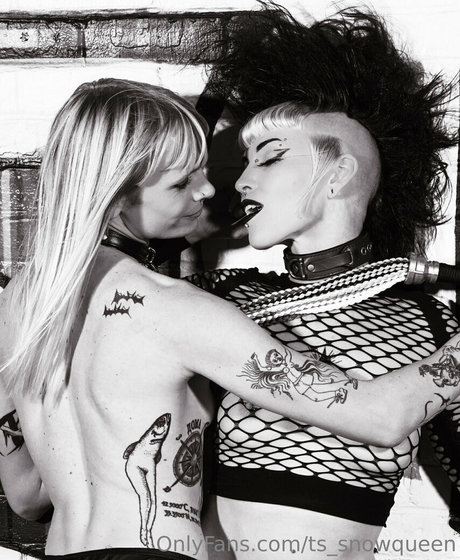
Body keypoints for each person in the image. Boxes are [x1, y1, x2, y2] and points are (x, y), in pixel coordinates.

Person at [0, 79, 459, 560]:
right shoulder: (178, 308)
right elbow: (381, 416)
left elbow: (27, 496)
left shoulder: (19, 305)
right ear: (113, 194)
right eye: (182, 182)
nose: (210, 189)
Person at [182, 6, 460, 559]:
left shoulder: (433, 323)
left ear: (337, 175)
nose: (242, 180)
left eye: (270, 159)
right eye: (244, 162)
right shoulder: (221, 297)